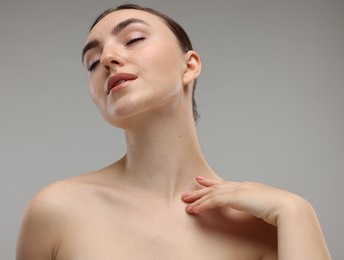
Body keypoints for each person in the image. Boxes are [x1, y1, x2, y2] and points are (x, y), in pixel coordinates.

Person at [16, 4, 331, 259]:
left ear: (190, 66)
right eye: (92, 62)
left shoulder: (265, 228)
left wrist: (298, 212)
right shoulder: (56, 210)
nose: (108, 60)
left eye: (134, 39)